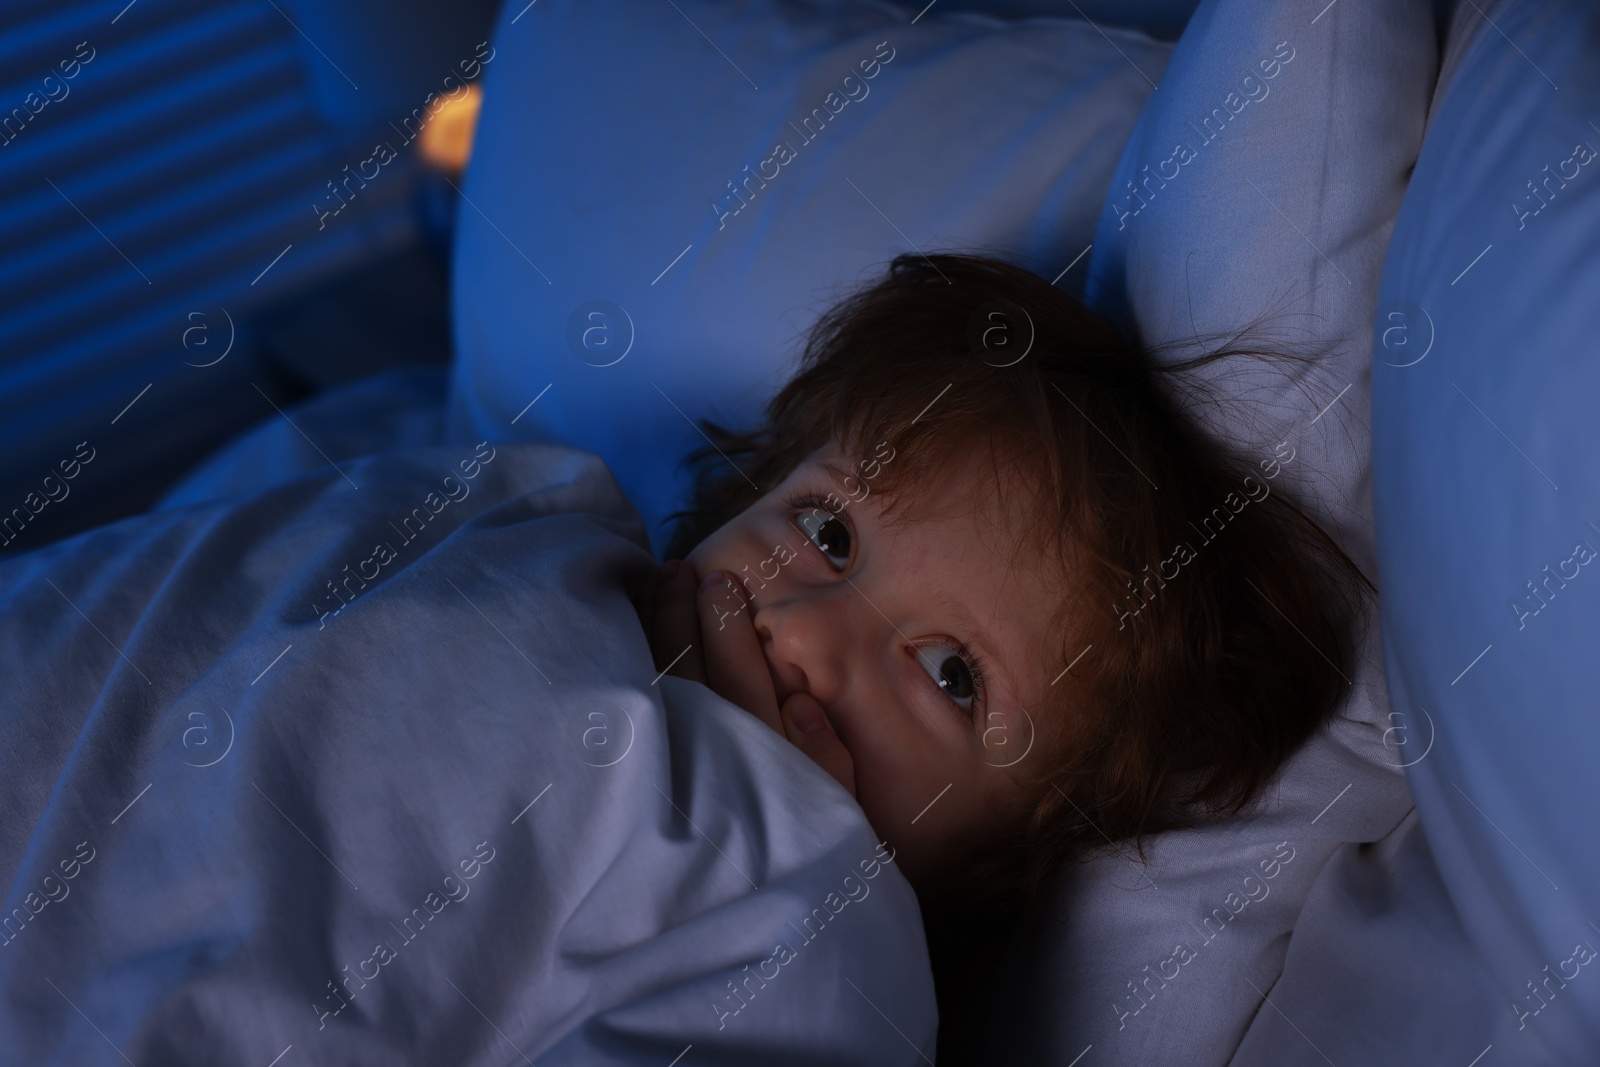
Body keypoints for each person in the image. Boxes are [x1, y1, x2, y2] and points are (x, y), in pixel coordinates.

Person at [631, 251, 1371, 1036]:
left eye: (950, 674)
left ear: (996, 876)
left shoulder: (838, 997)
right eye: (828, 532)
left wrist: (758, 861)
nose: (806, 630)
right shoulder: (558, 543)